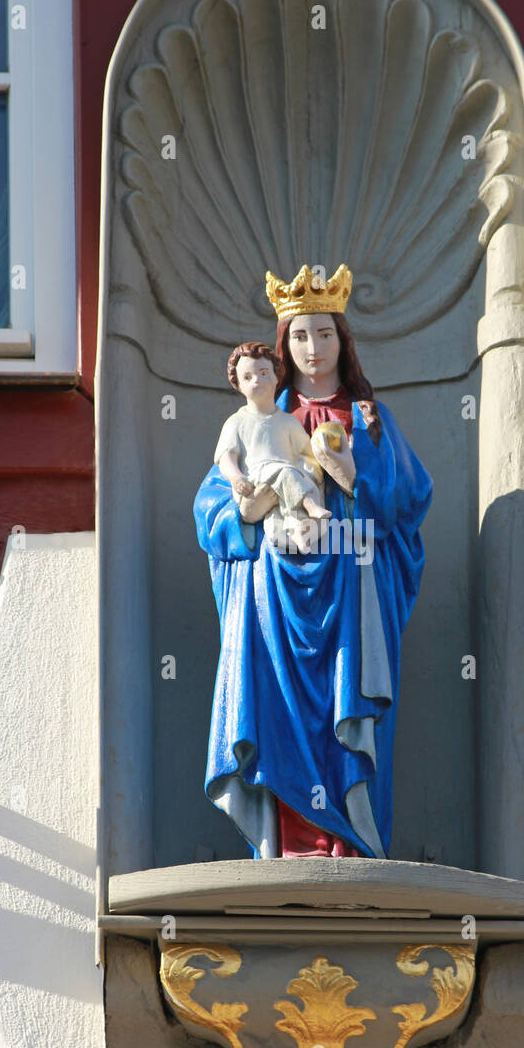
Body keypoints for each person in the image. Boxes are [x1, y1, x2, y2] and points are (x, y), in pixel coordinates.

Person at [194, 264, 432, 859]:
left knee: (342, 708)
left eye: (325, 334)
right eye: (301, 336)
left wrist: (356, 478)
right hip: (273, 595)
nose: (313, 349)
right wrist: (259, 503)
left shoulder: (369, 419)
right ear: (281, 349)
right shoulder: (257, 424)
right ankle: (287, 845)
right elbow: (213, 513)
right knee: (278, 709)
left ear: (342, 341)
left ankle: (350, 842)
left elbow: (406, 505)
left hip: (350, 589)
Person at [214, 341, 330, 555]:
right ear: (238, 385)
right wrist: (237, 479)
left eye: (264, 373)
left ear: (277, 377)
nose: (257, 380)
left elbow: (308, 455)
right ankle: (310, 504)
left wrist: (308, 473)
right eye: (247, 377)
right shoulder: (236, 422)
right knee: (286, 473)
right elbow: (226, 457)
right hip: (256, 482)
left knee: (277, 521)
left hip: (284, 487)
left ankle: (298, 534)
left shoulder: (288, 422)